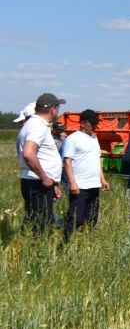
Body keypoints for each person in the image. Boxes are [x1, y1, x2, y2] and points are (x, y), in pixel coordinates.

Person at [17, 93, 65, 234]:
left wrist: (53, 183)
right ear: (53, 109)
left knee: (37, 221)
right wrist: (44, 178)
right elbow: (28, 153)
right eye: (58, 107)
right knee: (41, 226)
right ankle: (36, 253)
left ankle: (31, 249)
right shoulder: (37, 126)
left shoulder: (34, 124)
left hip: (38, 182)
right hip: (38, 183)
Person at [62, 109, 109, 243]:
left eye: (96, 123)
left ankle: (86, 242)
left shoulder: (94, 139)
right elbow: (67, 161)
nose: (95, 126)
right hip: (80, 186)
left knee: (92, 217)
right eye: (92, 123)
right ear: (83, 123)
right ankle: (67, 244)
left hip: (94, 185)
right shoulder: (73, 139)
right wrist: (72, 183)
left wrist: (103, 179)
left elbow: (96, 160)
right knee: (76, 217)